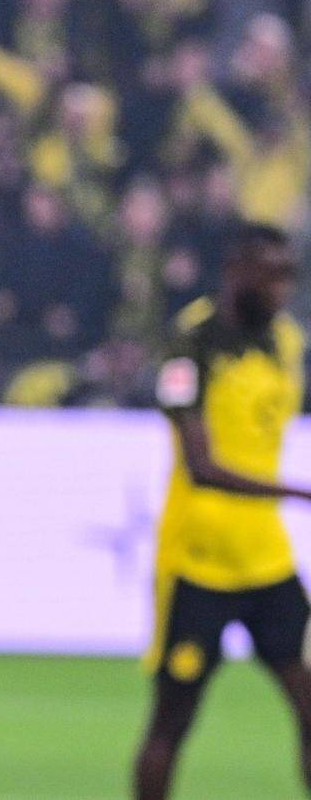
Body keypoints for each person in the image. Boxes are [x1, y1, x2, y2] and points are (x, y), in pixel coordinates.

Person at [135, 223, 311, 798]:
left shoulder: (287, 342)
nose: (283, 288)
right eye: (272, 275)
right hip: (199, 560)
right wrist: (298, 493)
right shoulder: (191, 344)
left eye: (289, 275)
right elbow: (201, 467)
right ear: (237, 272)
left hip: (266, 558)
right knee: (172, 719)